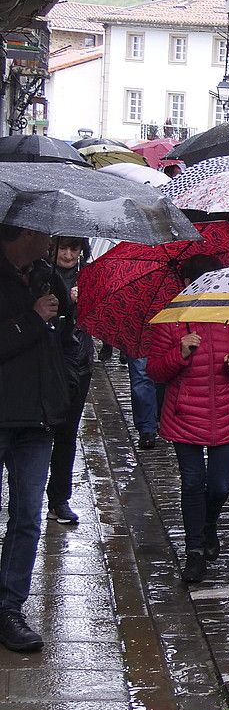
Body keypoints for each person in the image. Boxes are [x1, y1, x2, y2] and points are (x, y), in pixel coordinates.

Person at [146, 256, 229, 584]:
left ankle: (208, 524)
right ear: (185, 284)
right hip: (185, 416)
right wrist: (180, 353)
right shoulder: (171, 319)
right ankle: (194, 550)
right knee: (192, 483)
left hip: (227, 415)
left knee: (221, 485)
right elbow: (155, 371)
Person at [0, 224, 79, 652]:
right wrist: (32, 318)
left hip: (37, 418)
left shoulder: (47, 276)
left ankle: (10, 607)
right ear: (18, 234)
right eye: (40, 232)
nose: (49, 238)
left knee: (28, 516)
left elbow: (63, 341)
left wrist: (63, 384)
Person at [46, 237, 94, 525]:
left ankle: (59, 498)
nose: (67, 254)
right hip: (47, 364)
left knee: (67, 432)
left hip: (79, 363)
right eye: (63, 248)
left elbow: (97, 320)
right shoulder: (41, 275)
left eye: (73, 249)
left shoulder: (88, 278)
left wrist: (83, 301)